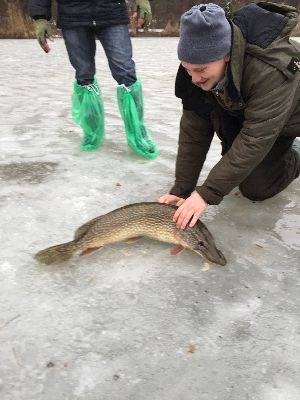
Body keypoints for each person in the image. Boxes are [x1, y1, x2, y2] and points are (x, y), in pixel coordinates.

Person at [159, 2, 300, 229]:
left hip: (285, 117)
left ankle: (294, 155)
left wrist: (207, 194)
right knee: (237, 167)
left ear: (225, 54)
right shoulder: (196, 68)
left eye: (201, 70)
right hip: (243, 108)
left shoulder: (269, 70)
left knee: (256, 188)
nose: (194, 78)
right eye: (187, 69)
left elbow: (255, 138)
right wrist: (182, 189)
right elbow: (194, 132)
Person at [28, 0, 157, 159]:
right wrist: (40, 17)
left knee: (125, 72)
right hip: (73, 16)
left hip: (111, 11)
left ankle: (139, 135)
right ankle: (91, 134)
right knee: (84, 74)